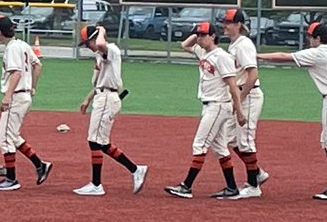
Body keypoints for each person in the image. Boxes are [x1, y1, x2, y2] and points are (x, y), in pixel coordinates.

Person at [259, 20, 327, 201]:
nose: (309, 40)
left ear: (318, 38)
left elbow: (285, 56)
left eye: (310, 37)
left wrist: (259, 57)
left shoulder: (317, 53)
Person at [164, 21, 247, 199]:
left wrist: (239, 111)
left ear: (213, 36)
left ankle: (186, 186)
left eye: (203, 35)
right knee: (220, 148)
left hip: (218, 105)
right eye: (198, 35)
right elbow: (184, 44)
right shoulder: (203, 52)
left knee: (199, 144)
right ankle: (232, 188)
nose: (199, 38)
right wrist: (198, 31)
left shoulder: (222, 56)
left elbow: (233, 86)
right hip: (211, 105)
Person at [73, 25, 148, 196]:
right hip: (102, 96)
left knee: (94, 141)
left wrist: (101, 30)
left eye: (87, 43)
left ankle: (97, 184)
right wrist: (87, 99)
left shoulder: (110, 50)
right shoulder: (100, 56)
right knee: (102, 143)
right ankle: (136, 170)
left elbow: (100, 45)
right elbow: (99, 82)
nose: (88, 47)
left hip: (107, 98)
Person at [0, 15, 51, 191]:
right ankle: (40, 164)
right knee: (13, 136)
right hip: (23, 96)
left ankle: (11, 178)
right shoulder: (22, 45)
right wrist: (32, 87)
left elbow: (16, 73)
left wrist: (7, 96)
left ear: (0, 31)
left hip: (15, 97)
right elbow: (38, 66)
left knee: (5, 138)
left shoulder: (12, 49)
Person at [220, 9, 269, 199]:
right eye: (224, 22)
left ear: (238, 24)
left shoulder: (243, 45)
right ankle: (256, 172)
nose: (225, 25)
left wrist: (239, 99)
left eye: (229, 22)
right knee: (230, 138)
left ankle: (253, 185)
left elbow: (253, 74)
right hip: (240, 95)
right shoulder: (234, 45)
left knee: (246, 139)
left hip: (249, 95)